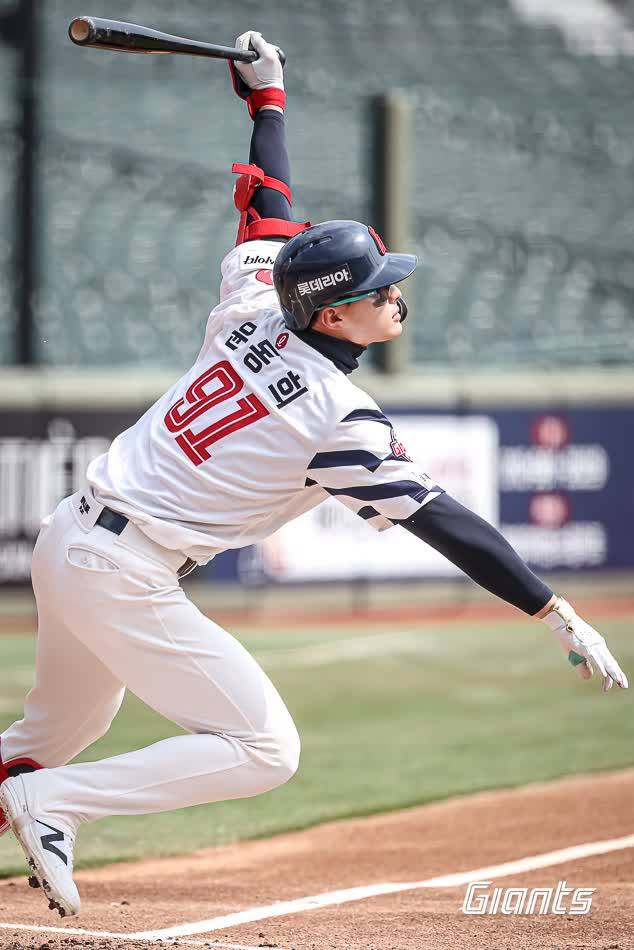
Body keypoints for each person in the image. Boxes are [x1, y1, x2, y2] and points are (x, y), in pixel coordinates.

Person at [0, 32, 626, 919]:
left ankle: (40, 787)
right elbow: (444, 521)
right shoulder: (334, 415)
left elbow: (270, 208)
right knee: (264, 748)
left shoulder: (256, 301)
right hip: (123, 569)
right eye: (379, 289)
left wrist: (269, 102)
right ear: (332, 314)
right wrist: (551, 607)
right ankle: (55, 804)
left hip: (72, 539)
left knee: (60, 729)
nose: (396, 295)